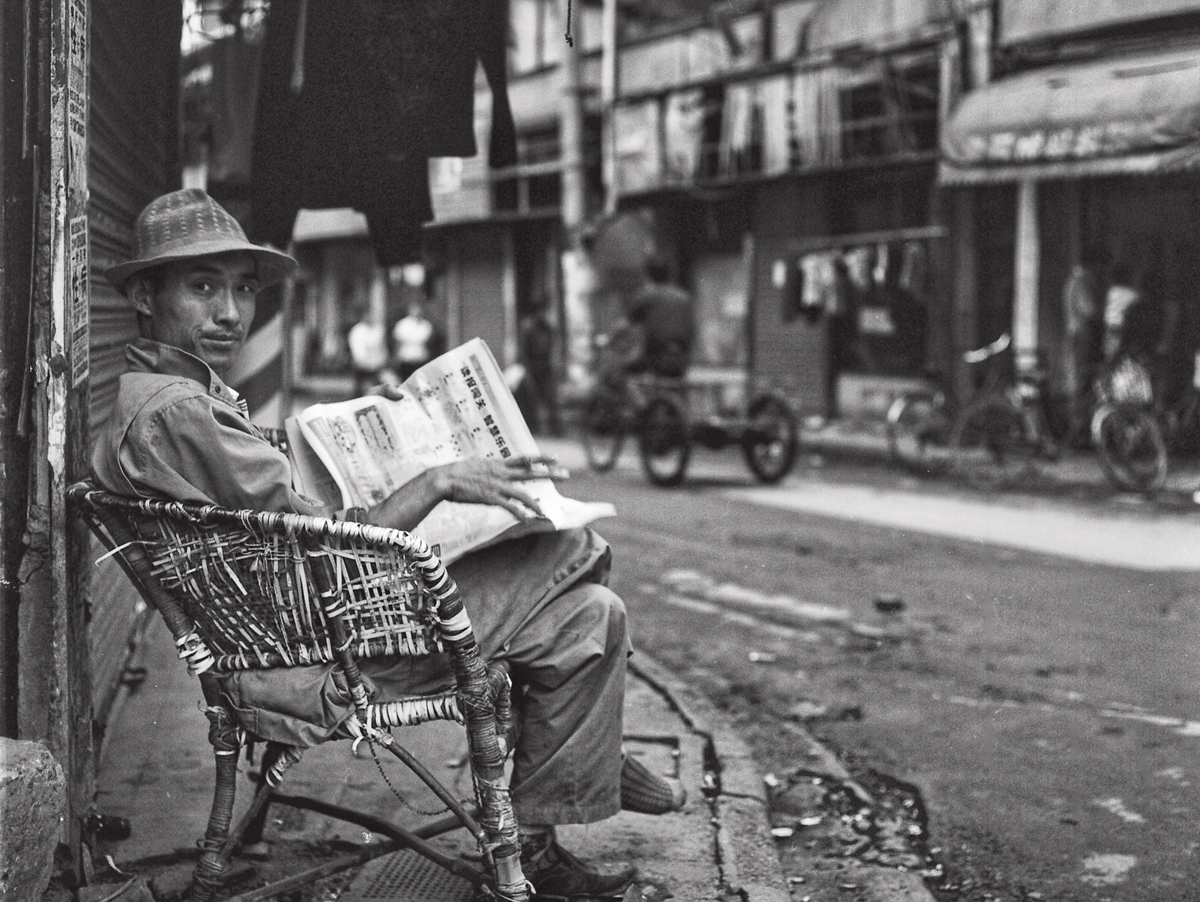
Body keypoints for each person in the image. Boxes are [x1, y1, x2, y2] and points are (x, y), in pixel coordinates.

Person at [91, 189, 683, 899]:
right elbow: (330, 544)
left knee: (591, 619)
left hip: (312, 624)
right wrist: (436, 481)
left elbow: (286, 525)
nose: (230, 312)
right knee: (570, 547)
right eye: (203, 287)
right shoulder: (180, 411)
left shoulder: (162, 399)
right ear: (146, 296)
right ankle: (594, 768)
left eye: (242, 289)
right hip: (323, 652)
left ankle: (545, 820)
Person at [1061, 245, 1107, 445]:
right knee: (1084, 381)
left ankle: (1083, 430)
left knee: (1086, 382)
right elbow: (1090, 311)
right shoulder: (1081, 282)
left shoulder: (1078, 280)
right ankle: (1078, 432)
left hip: (1081, 336)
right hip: (1083, 337)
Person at [625, 254, 695, 379]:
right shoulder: (684, 297)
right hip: (682, 359)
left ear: (648, 275)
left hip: (656, 357)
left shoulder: (646, 296)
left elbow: (626, 324)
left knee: (626, 370)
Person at [518, 299, 562, 436]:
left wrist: (554, 364)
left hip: (545, 365)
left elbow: (553, 348)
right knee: (532, 398)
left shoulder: (548, 328)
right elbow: (524, 350)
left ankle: (554, 429)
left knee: (550, 397)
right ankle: (534, 428)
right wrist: (526, 368)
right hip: (532, 366)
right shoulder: (529, 328)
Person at [391, 299, 441, 381]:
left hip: (421, 359)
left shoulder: (426, 325)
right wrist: (395, 359)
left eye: (418, 309)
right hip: (406, 359)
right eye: (414, 309)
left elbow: (430, 344)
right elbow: (398, 343)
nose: (416, 311)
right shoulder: (402, 325)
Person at [346, 315, 389, 396]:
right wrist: (360, 360)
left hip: (376, 363)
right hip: (361, 363)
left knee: (376, 385)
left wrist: (382, 359)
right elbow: (357, 347)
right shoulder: (357, 330)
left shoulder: (377, 329)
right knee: (360, 386)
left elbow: (381, 346)